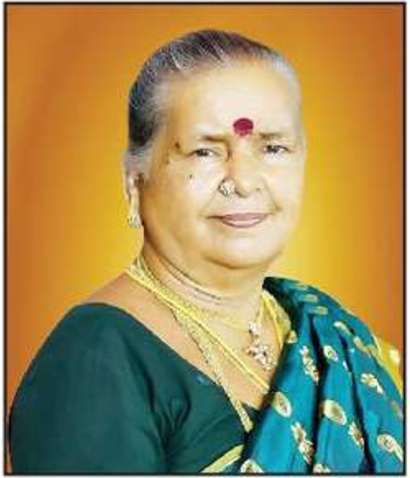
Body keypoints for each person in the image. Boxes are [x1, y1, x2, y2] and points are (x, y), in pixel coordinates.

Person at [7, 29, 403, 473]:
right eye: (204, 152)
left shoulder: (335, 341)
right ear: (135, 184)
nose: (245, 181)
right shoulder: (93, 363)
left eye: (273, 148)